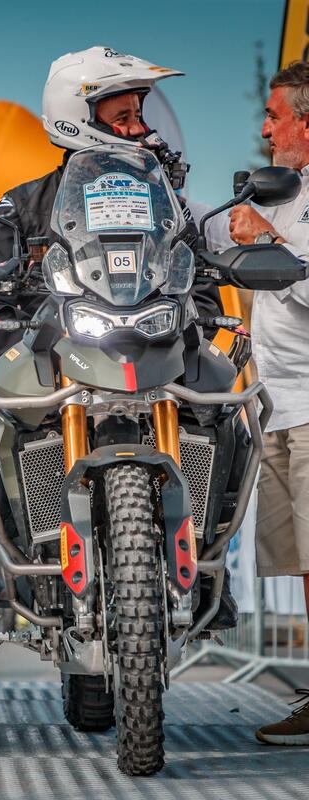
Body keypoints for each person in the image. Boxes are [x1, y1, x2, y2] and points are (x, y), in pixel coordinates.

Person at [0, 45, 231, 747]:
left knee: (225, 405)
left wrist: (203, 309)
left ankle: (213, 569)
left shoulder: (168, 201)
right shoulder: (24, 204)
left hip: (154, 362)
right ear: (78, 117)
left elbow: (202, 280)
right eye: (124, 113)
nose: (139, 125)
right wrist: (9, 324)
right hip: (59, 369)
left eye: (139, 112)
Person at [224, 60, 309, 746]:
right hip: (278, 406)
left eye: (275, 116)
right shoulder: (285, 192)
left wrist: (268, 239)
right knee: (302, 564)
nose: (264, 129)